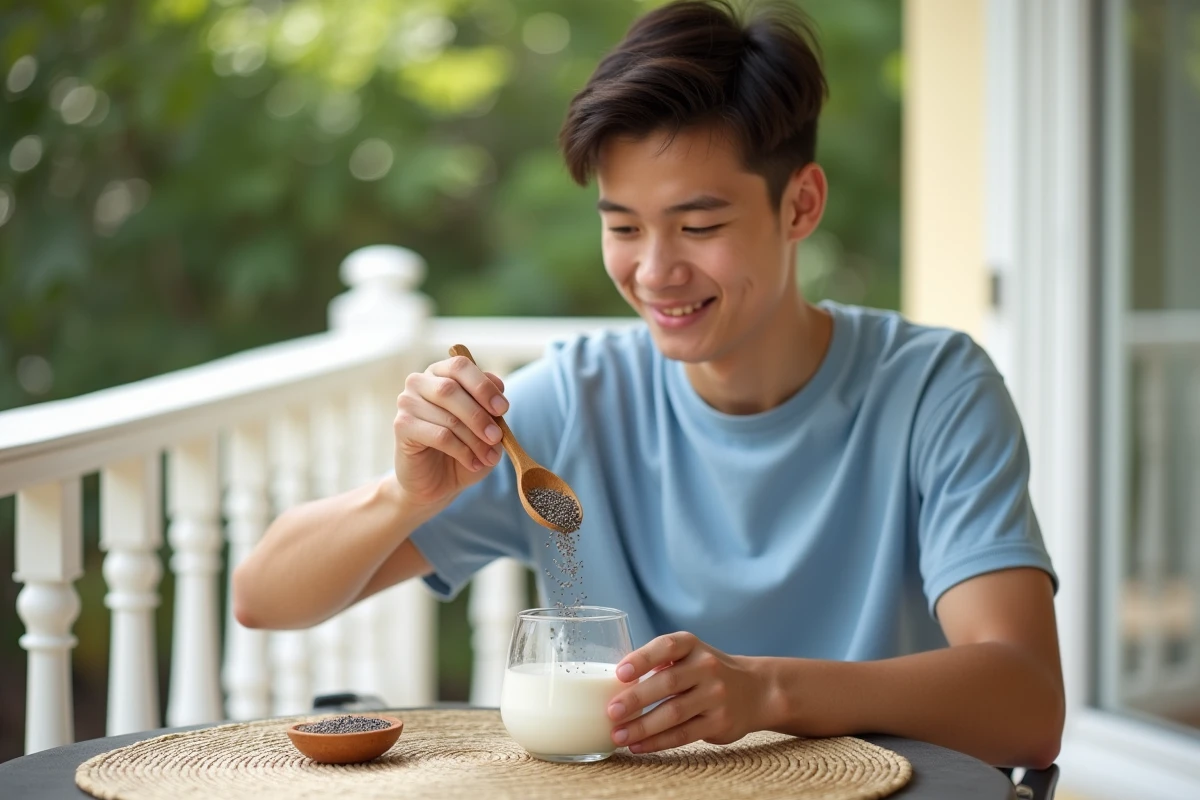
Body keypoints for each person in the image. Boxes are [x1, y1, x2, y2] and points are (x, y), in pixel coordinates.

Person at [234, 0, 1064, 769]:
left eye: (699, 226)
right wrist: (404, 497)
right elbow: (263, 598)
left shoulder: (932, 390)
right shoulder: (568, 408)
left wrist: (766, 693)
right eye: (624, 227)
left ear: (800, 205)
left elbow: (1027, 701)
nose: (656, 271)